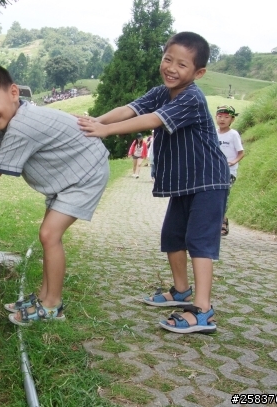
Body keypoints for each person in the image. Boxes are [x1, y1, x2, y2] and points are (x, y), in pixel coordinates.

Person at [78, 32, 229, 334]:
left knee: (199, 242)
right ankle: (181, 291)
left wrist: (105, 132)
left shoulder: (191, 97)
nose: (171, 68)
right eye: (167, 59)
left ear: (198, 73)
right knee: (173, 237)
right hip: (184, 183)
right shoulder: (162, 91)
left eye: (181, 65)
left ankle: (202, 309)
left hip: (209, 181)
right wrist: (95, 122)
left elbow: (152, 121)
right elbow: (131, 109)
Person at [0, 65, 110, 326]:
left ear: (14, 93)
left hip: (86, 173)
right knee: (49, 236)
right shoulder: (10, 121)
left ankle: (52, 305)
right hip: (69, 176)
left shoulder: (22, 126)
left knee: (49, 235)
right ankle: (44, 296)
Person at [215, 105, 244, 236]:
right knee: (212, 197)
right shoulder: (213, 132)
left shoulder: (233, 135)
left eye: (226, 117)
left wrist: (233, 162)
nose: (222, 119)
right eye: (220, 116)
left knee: (223, 196)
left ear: (232, 119)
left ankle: (222, 221)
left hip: (229, 172)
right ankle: (216, 221)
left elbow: (241, 153)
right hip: (214, 170)